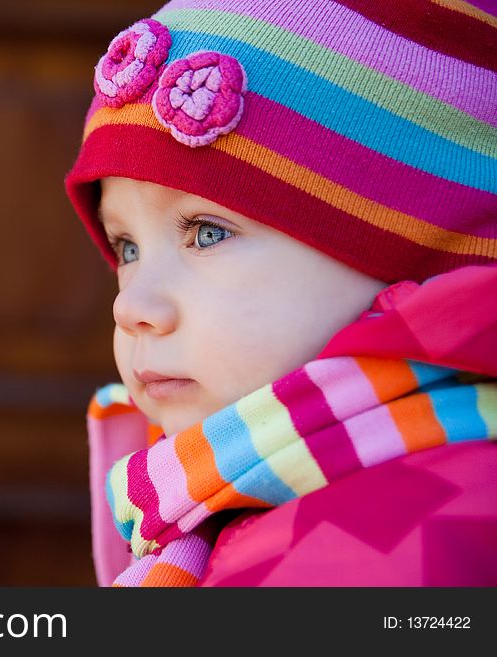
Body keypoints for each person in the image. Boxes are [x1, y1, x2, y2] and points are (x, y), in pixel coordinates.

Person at [64, 0, 497, 586]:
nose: (132, 306)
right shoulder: (232, 483)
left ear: (408, 256)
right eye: (127, 247)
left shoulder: (381, 550)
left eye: (207, 232)